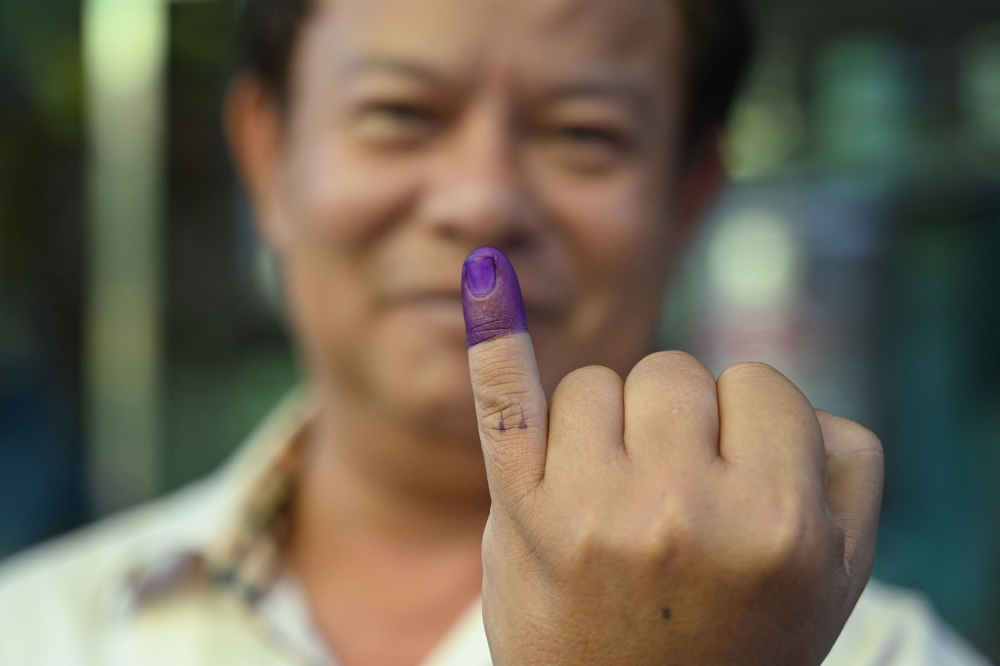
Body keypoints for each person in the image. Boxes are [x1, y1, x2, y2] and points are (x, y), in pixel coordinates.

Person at [0, 0, 991, 664]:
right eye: (399, 114)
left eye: (582, 132)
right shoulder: (37, 630)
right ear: (268, 157)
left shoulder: (874, 650)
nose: (482, 200)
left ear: (688, 198)